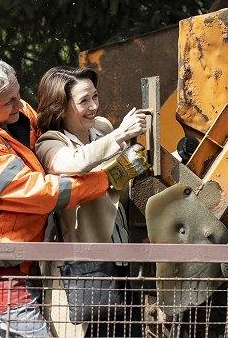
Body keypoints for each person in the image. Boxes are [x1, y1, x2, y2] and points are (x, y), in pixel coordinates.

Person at [0, 58, 149, 338]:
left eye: (18, 93)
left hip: (17, 253)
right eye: (9, 101)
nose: (20, 104)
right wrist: (109, 178)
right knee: (31, 332)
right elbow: (42, 193)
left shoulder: (14, 113)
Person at [35, 66, 147, 338]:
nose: (94, 106)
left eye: (95, 97)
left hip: (124, 252)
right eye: (84, 101)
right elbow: (73, 162)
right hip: (88, 264)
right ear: (61, 107)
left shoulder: (102, 128)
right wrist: (120, 135)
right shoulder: (50, 142)